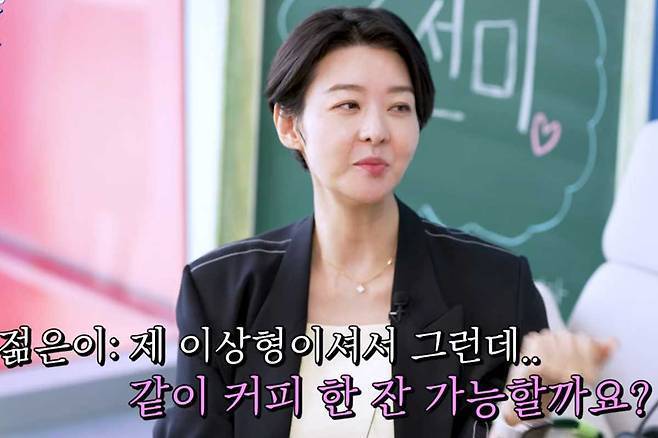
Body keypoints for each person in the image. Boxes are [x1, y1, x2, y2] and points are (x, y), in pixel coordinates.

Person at [154, 7, 614, 438]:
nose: (376, 130)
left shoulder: (496, 288)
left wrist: (523, 413)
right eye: (348, 105)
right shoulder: (220, 292)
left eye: (399, 107)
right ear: (290, 126)